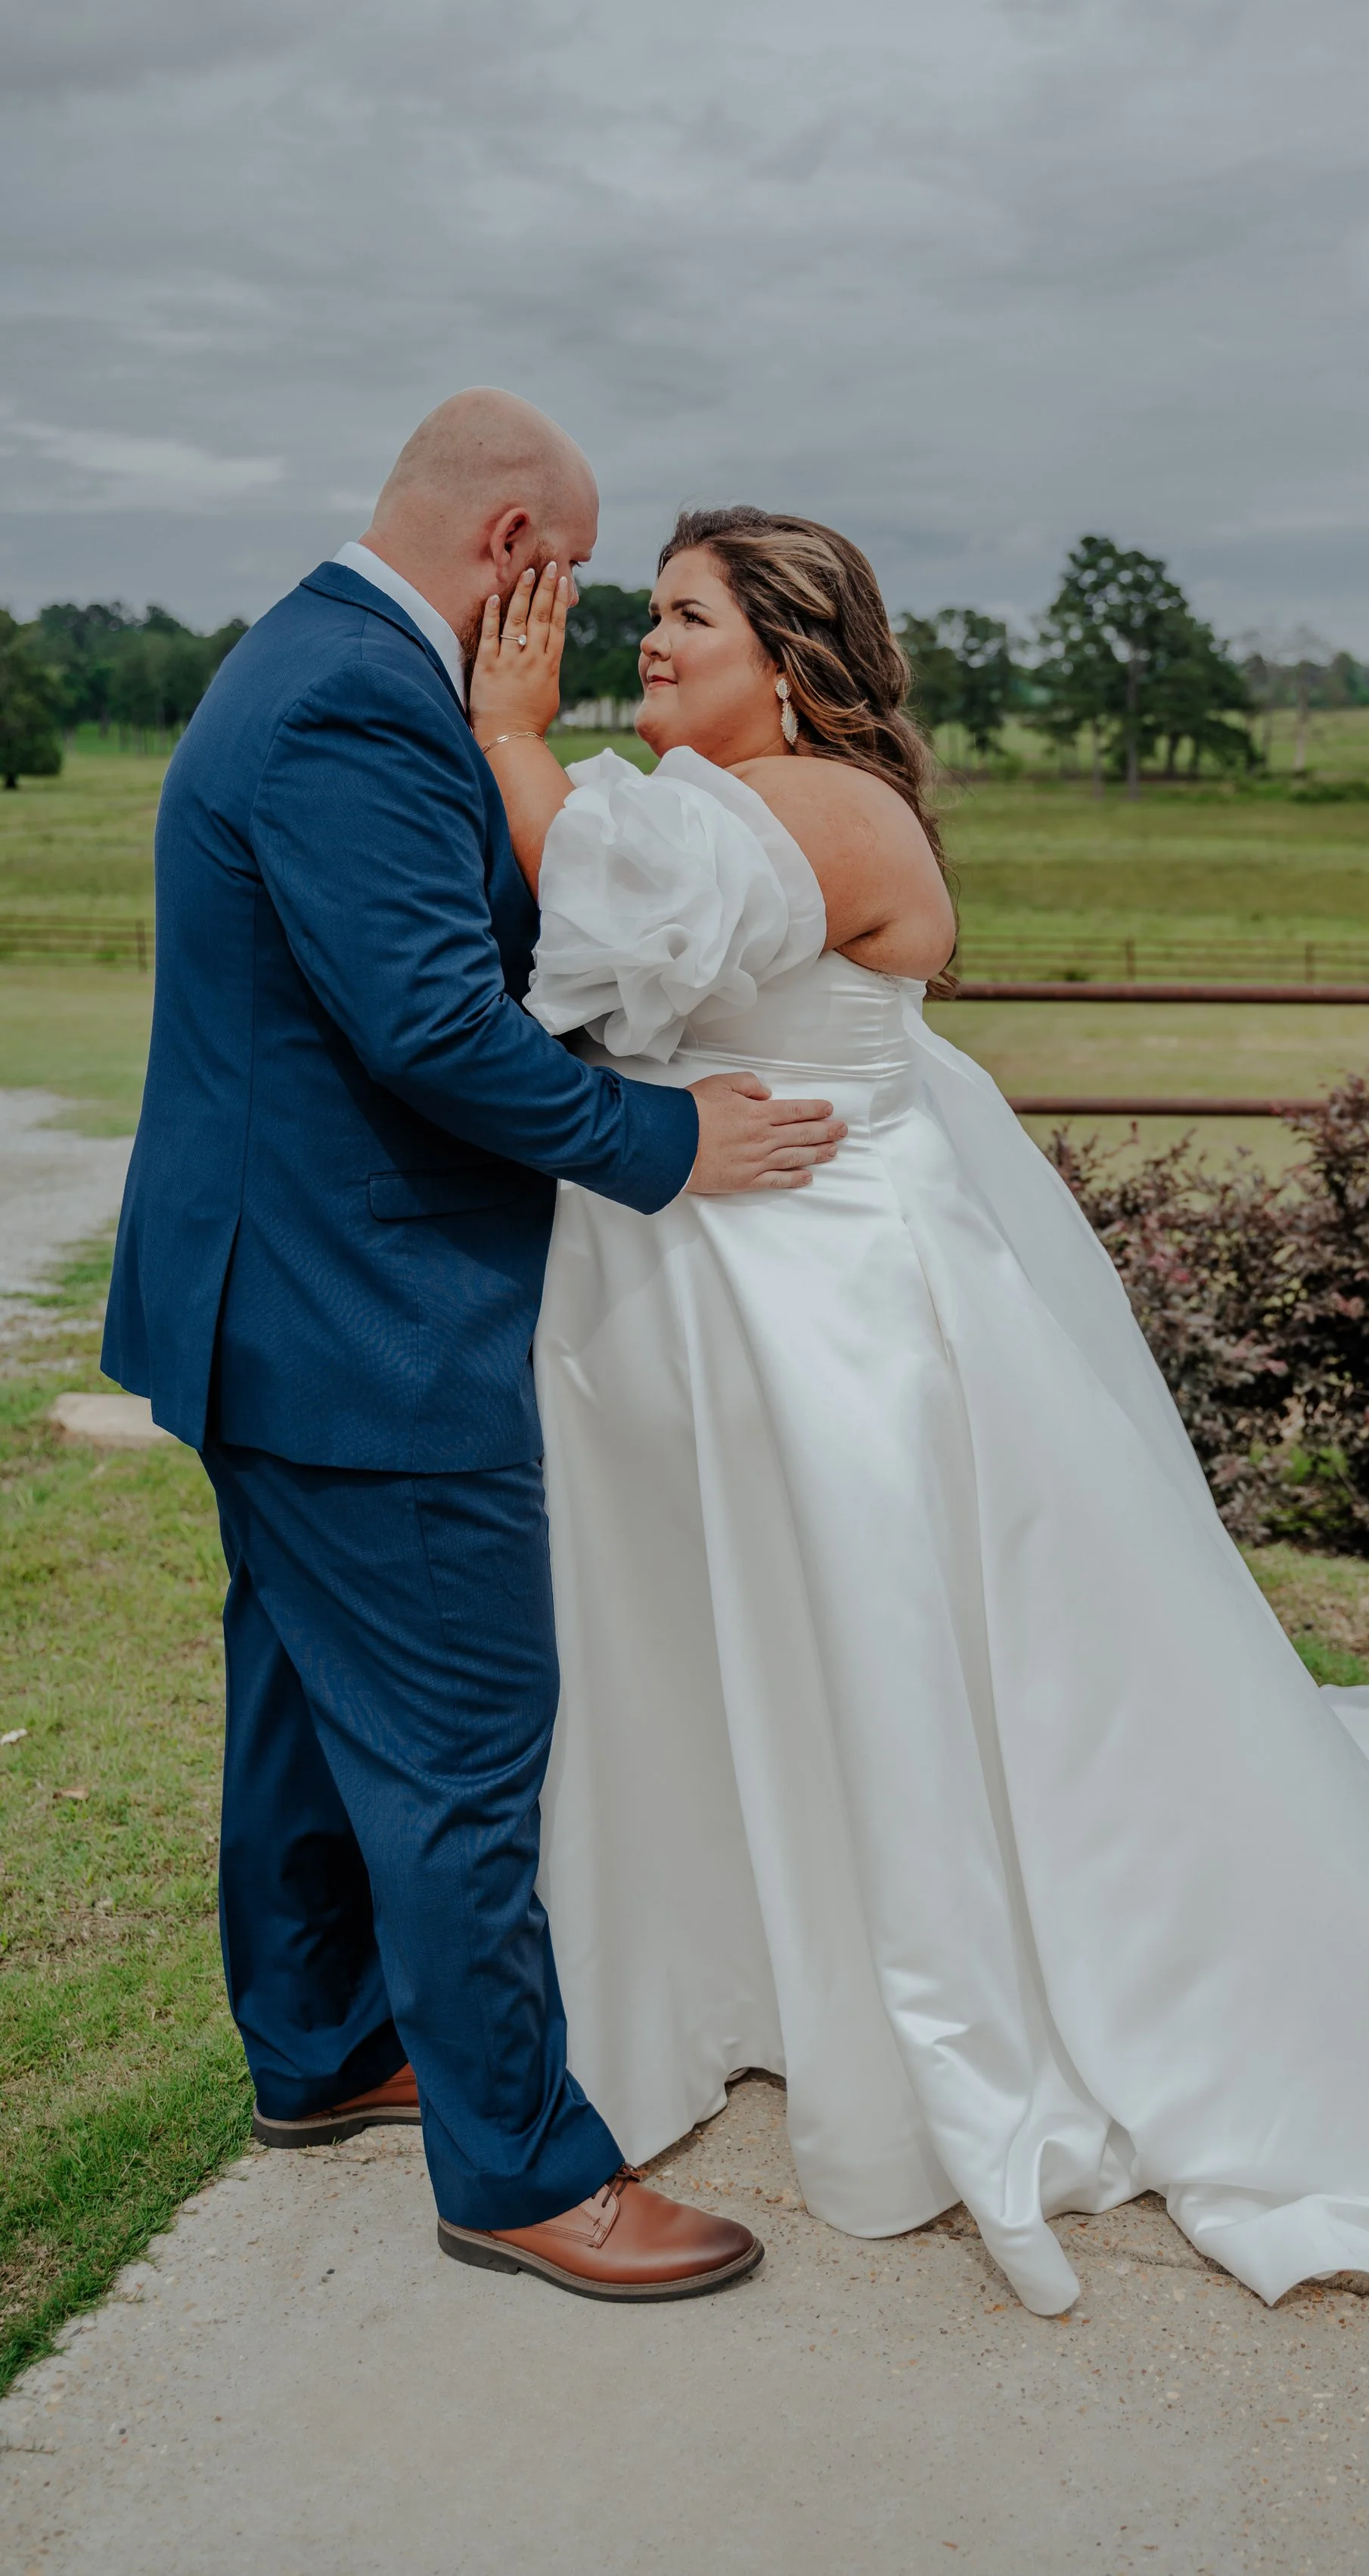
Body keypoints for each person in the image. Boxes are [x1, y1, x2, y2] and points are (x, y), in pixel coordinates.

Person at [470, 503, 1369, 2320]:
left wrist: (504, 737)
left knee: (882, 1647)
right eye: (650, 618)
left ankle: (941, 1988)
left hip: (834, 1309)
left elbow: (585, 905)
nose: (648, 643)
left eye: (685, 619)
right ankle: (786, 1963)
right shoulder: (737, 806)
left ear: (784, 662)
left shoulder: (808, 804)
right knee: (770, 1647)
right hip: (740, 1289)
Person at [103, 396, 848, 2303]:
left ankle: (326, 2051)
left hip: (267, 1305)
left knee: (295, 1705)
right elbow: (432, 1031)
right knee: (457, 1741)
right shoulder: (358, 701)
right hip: (358, 1321)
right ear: (513, 541)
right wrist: (674, 1146)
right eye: (581, 571)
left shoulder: (317, 656)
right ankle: (521, 2171)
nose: (587, 613)